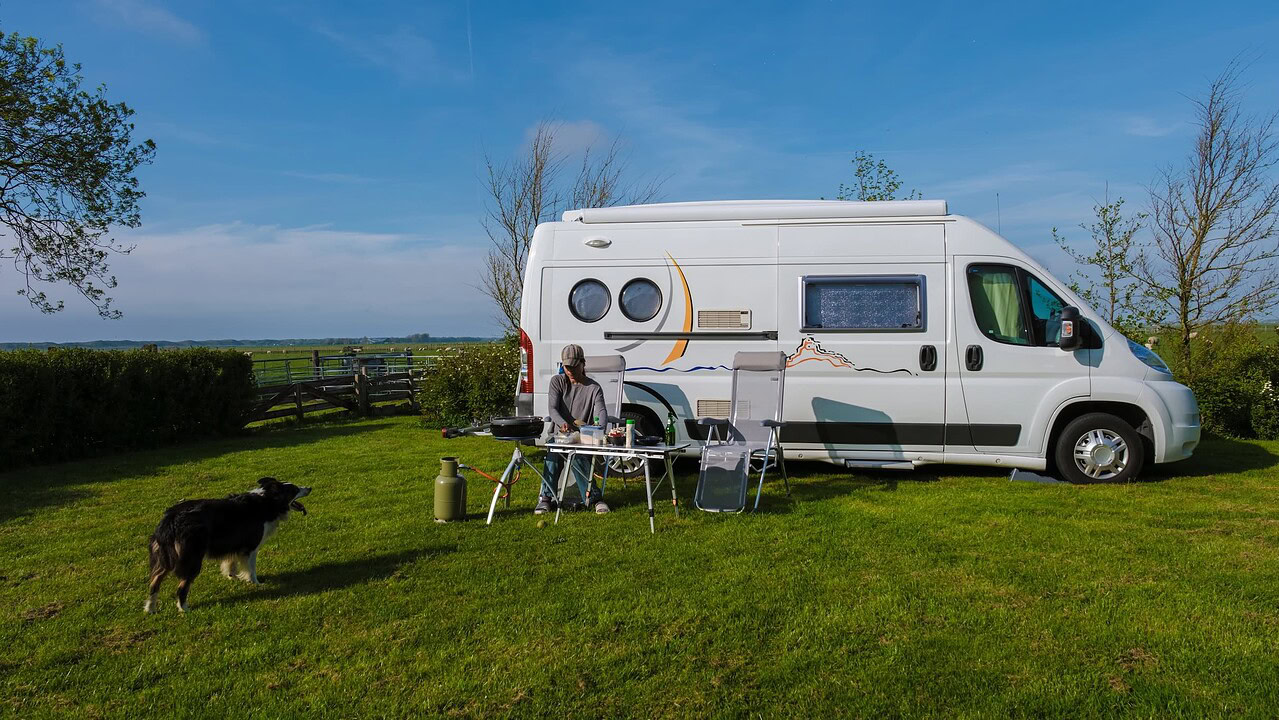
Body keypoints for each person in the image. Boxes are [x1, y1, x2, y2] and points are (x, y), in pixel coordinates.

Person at [537, 344, 610, 514]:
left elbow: (602, 411)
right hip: (560, 436)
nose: (570, 370)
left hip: (583, 438)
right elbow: (553, 409)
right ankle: (546, 498)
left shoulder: (593, 388)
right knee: (554, 454)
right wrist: (562, 423)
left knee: (576, 455)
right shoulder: (557, 381)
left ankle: (594, 499)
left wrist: (601, 428)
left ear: (583, 364)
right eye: (566, 367)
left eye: (574, 366)